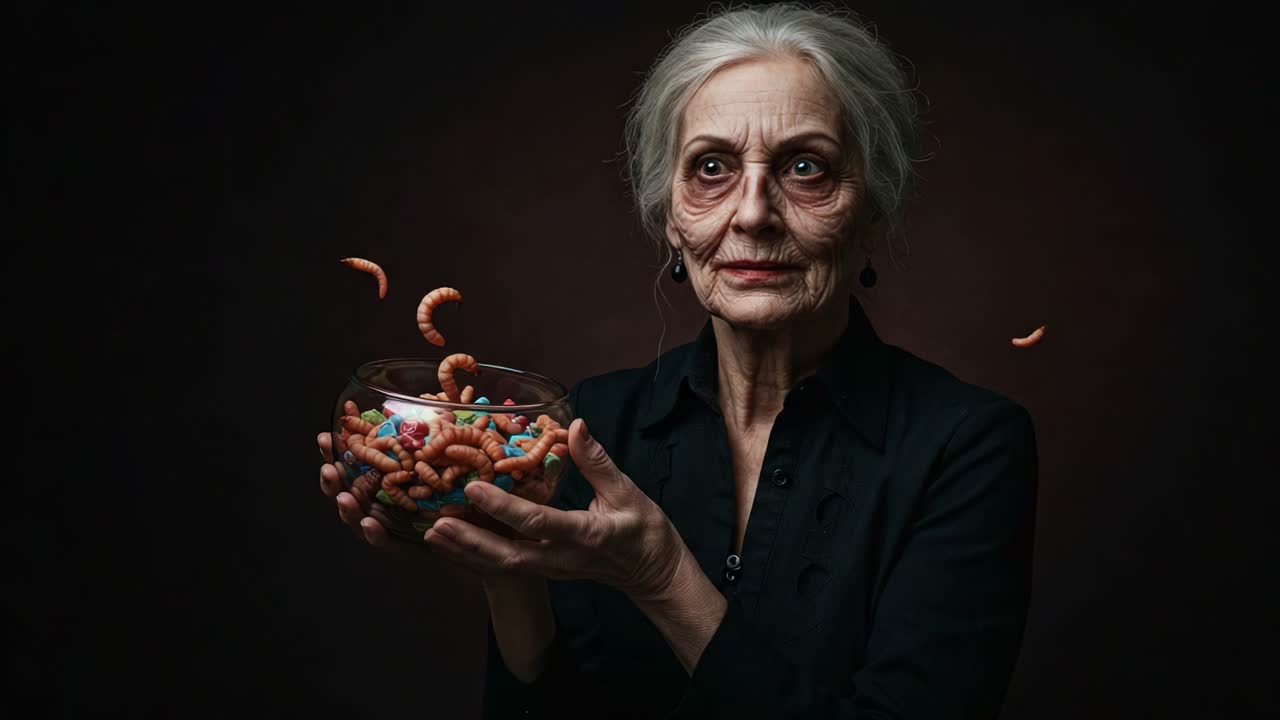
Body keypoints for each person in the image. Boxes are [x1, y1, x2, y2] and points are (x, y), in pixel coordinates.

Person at [317, 4, 1039, 718]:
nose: (753, 213)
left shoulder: (967, 447)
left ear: (872, 209)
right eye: (713, 167)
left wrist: (662, 578)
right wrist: (509, 571)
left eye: (806, 166)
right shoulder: (590, 424)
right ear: (670, 214)